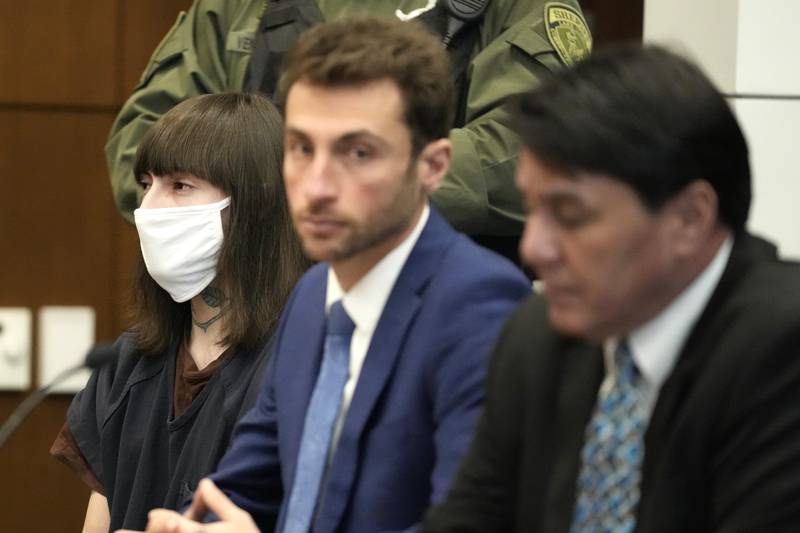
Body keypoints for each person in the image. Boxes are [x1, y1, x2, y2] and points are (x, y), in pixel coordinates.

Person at [122, 17, 532, 533]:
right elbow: (246, 486)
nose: (316, 186)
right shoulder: (314, 294)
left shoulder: (480, 306)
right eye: (301, 149)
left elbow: (475, 525)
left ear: (432, 166)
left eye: (356, 153)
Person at [421, 45, 800, 532]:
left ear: (690, 217)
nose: (535, 248)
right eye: (533, 209)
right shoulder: (536, 335)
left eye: (571, 215)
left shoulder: (782, 351)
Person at [106, 0, 592, 262]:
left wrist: (357, 187)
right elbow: (143, 146)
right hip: (248, 317)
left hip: (431, 303)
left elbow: (537, 153)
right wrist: (274, 193)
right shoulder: (239, 7)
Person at [50, 93, 309, 532]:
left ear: (251, 204)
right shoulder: (127, 362)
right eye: (147, 184)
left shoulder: (301, 362)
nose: (148, 210)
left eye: (180, 186)